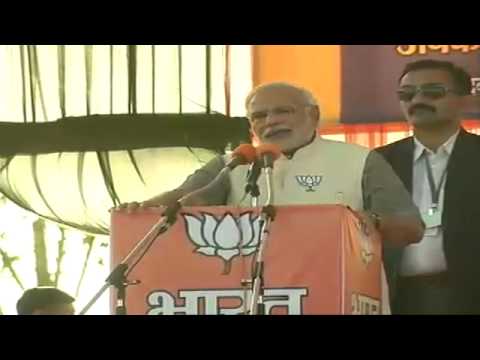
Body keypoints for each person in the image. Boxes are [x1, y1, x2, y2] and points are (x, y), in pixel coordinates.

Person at [118, 82, 424, 314]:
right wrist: (143, 209)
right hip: (249, 297)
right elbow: (185, 198)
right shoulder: (235, 163)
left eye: (282, 111)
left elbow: (411, 226)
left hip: (335, 295)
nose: (270, 121)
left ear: (313, 115)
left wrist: (364, 223)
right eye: (259, 116)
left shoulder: (358, 160)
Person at [376, 59, 480, 314]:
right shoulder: (377, 162)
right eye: (407, 94)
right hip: (398, 298)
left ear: (465, 100)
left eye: (433, 92)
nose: (417, 100)